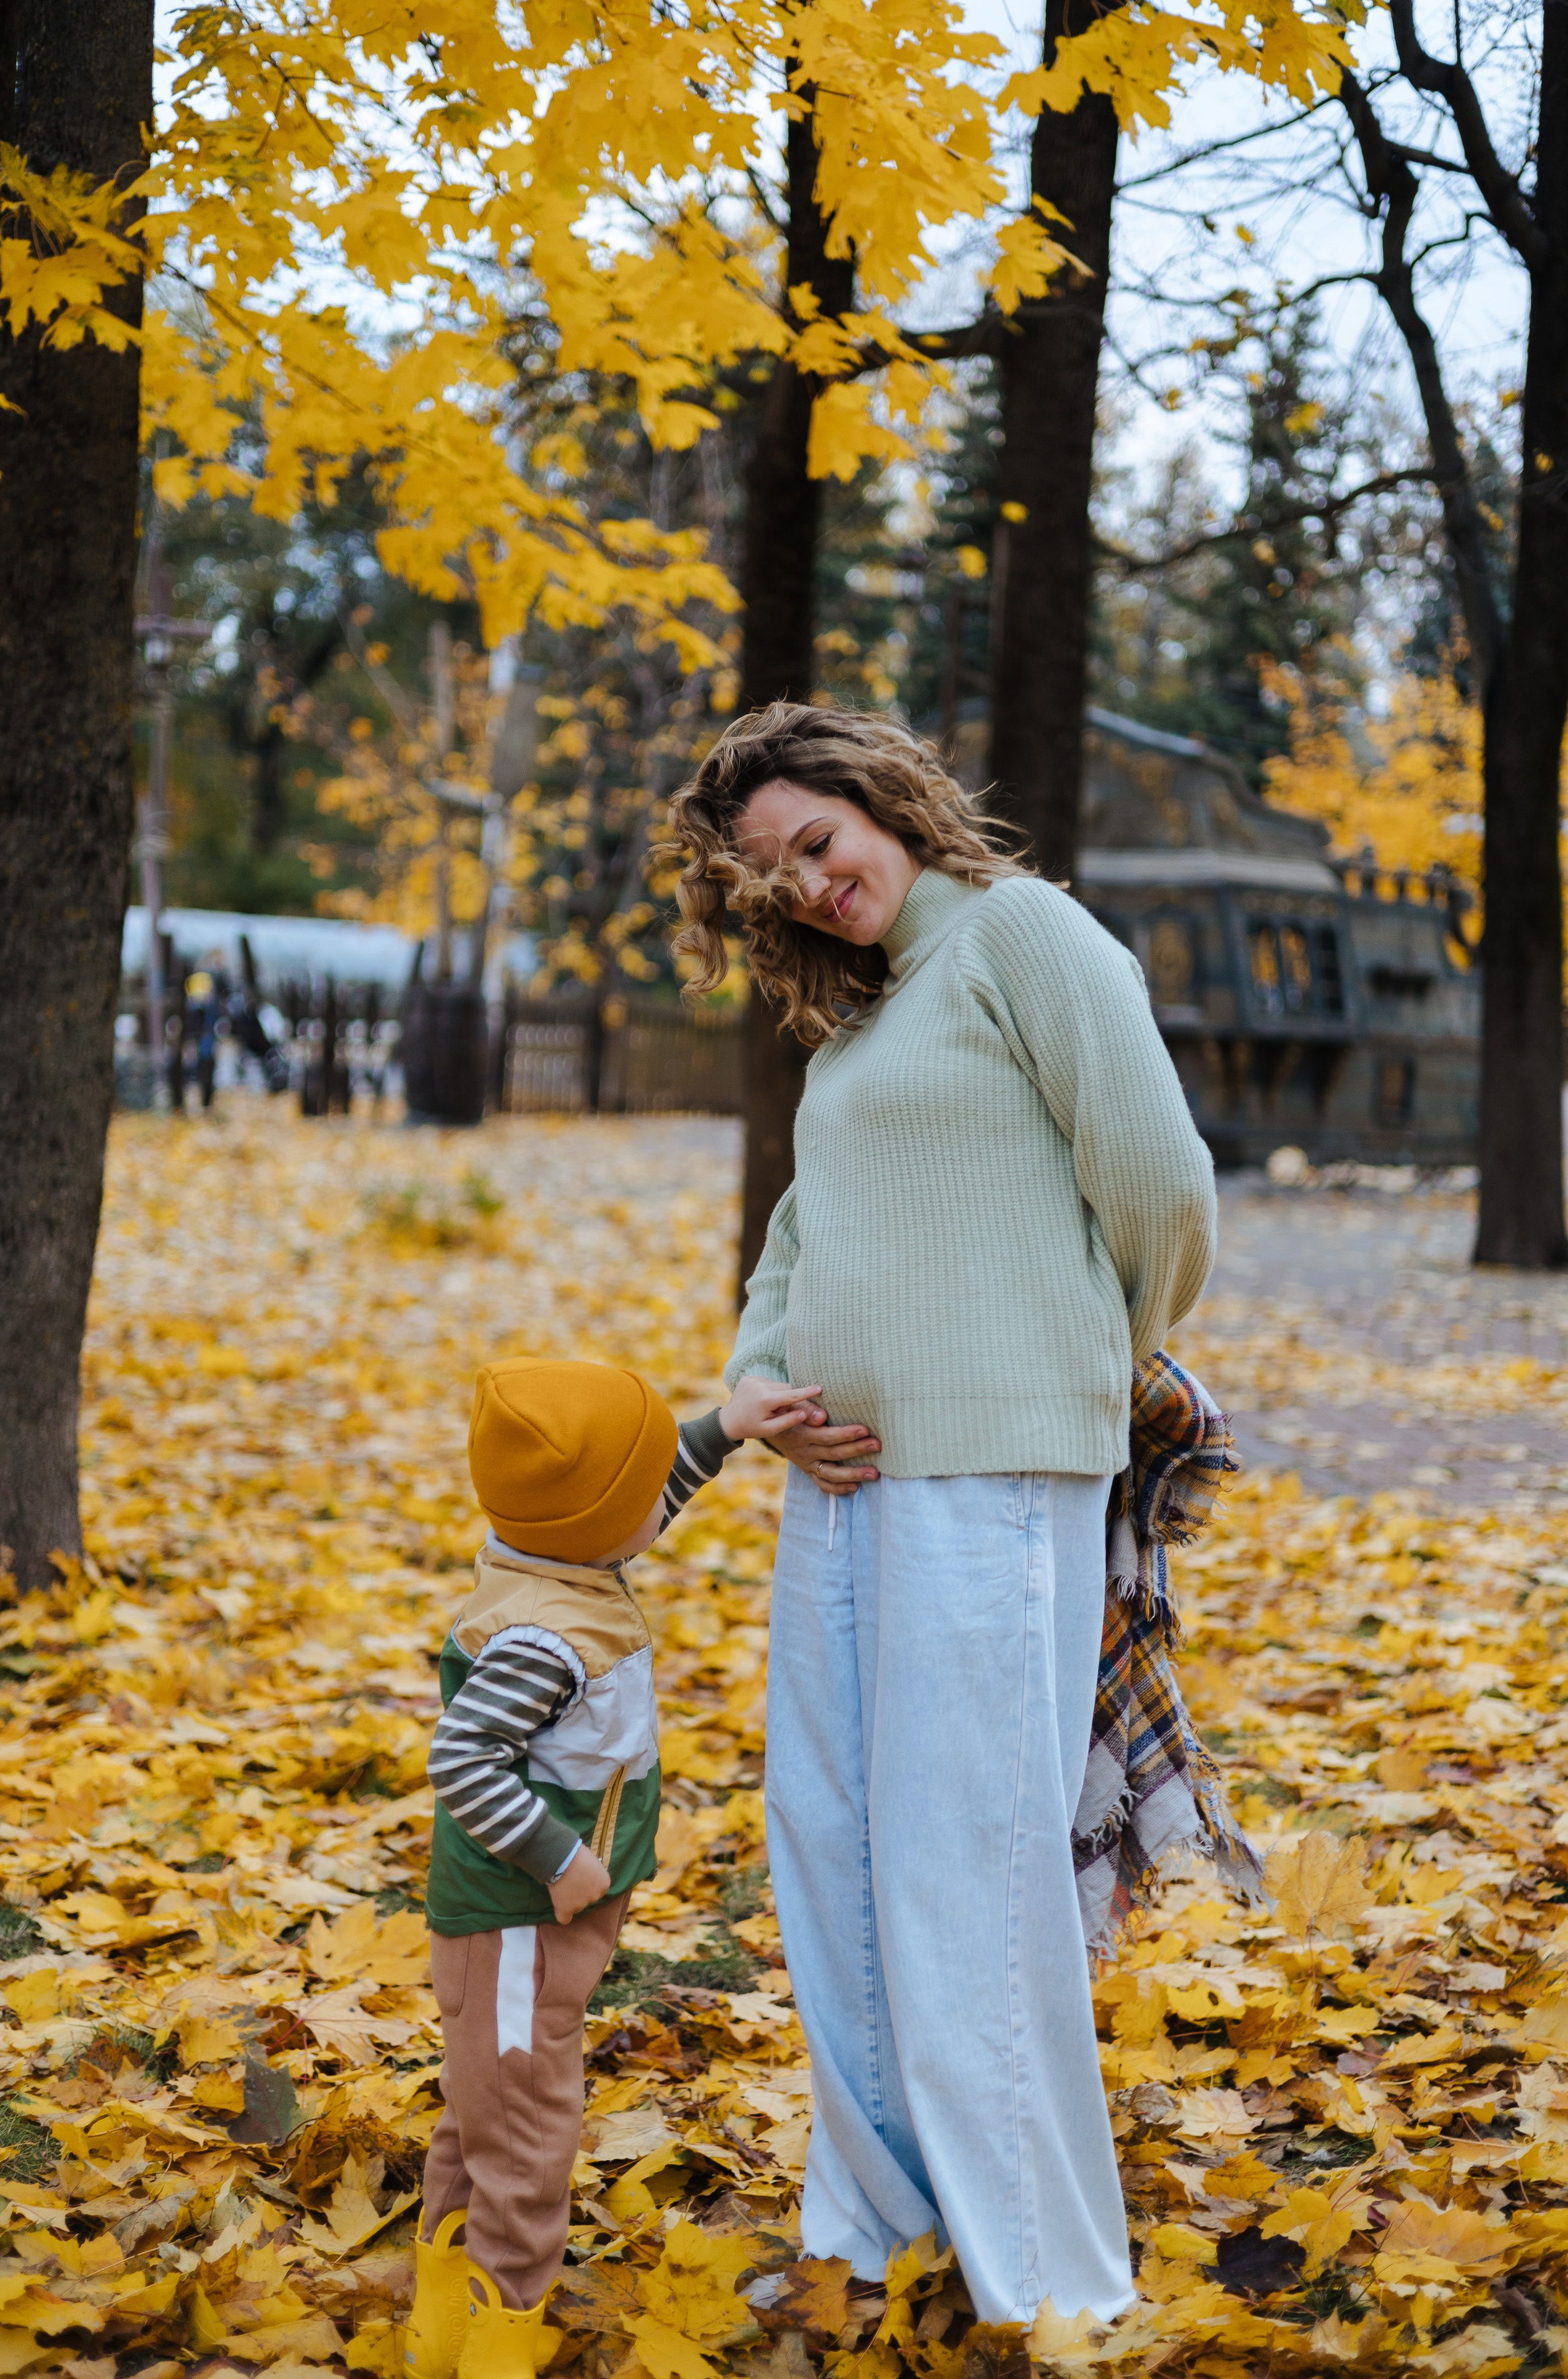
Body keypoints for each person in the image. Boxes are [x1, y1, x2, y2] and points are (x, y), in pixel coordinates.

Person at [668, 704, 1217, 2328]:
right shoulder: (866, 1015)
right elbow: (804, 1234)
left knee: (969, 1862)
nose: (811, 886)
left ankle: (1047, 2283)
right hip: (840, 1488)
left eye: (818, 845)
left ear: (880, 800)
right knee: (833, 1853)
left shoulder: (1018, 937)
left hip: (989, 1476)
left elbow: (1163, 1182)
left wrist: (1086, 1363)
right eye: (773, 878)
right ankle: (877, 2222)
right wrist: (758, 1383)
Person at [407, 1355, 822, 2379]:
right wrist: (558, 1858)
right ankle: (499, 2340)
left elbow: (637, 1498)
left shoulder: (564, 1557)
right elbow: (461, 1757)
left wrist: (725, 1427)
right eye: (645, 1496)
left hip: (544, 1926)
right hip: (514, 1923)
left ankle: (441, 2327)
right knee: (523, 2136)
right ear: (596, 1528)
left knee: (484, 2114)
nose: (660, 1507)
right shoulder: (542, 1638)